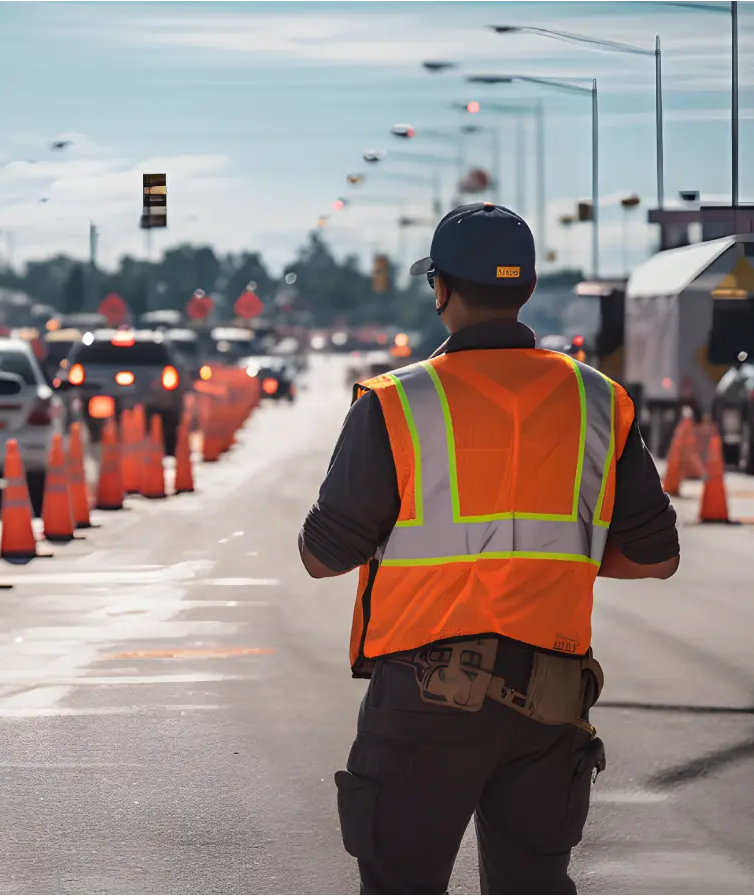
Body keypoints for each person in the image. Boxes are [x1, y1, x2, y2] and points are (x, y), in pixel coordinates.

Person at [298, 203, 679, 896]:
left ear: (441, 289)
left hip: (424, 697)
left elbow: (323, 556)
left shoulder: (394, 402)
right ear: (527, 287)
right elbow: (654, 556)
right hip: (550, 697)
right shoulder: (598, 400)